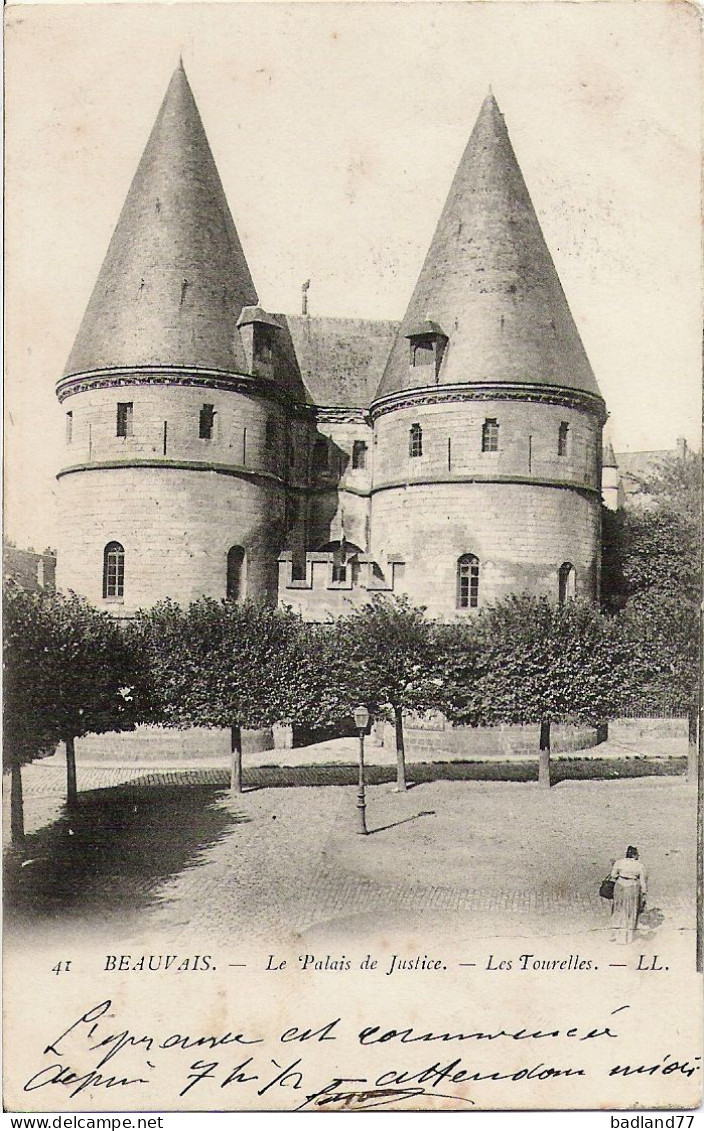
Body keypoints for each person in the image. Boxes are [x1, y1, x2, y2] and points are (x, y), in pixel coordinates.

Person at [609, 845, 647, 944]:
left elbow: (613, 875)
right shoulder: (639, 865)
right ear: (634, 855)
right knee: (630, 910)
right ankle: (627, 938)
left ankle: (615, 934)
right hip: (632, 887)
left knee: (618, 908)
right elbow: (643, 882)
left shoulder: (619, 862)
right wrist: (644, 894)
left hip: (620, 886)